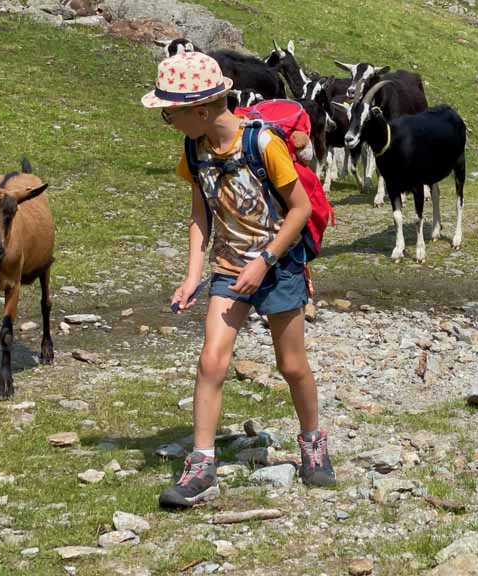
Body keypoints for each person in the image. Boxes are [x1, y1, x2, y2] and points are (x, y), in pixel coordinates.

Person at [141, 51, 335, 509]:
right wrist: (192, 276)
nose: (167, 120)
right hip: (228, 269)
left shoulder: (262, 144)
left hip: (277, 265)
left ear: (202, 111)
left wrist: (264, 261)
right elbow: (199, 213)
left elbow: (300, 210)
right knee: (211, 361)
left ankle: (312, 440)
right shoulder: (195, 150)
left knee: (291, 366)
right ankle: (202, 464)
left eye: (172, 112)